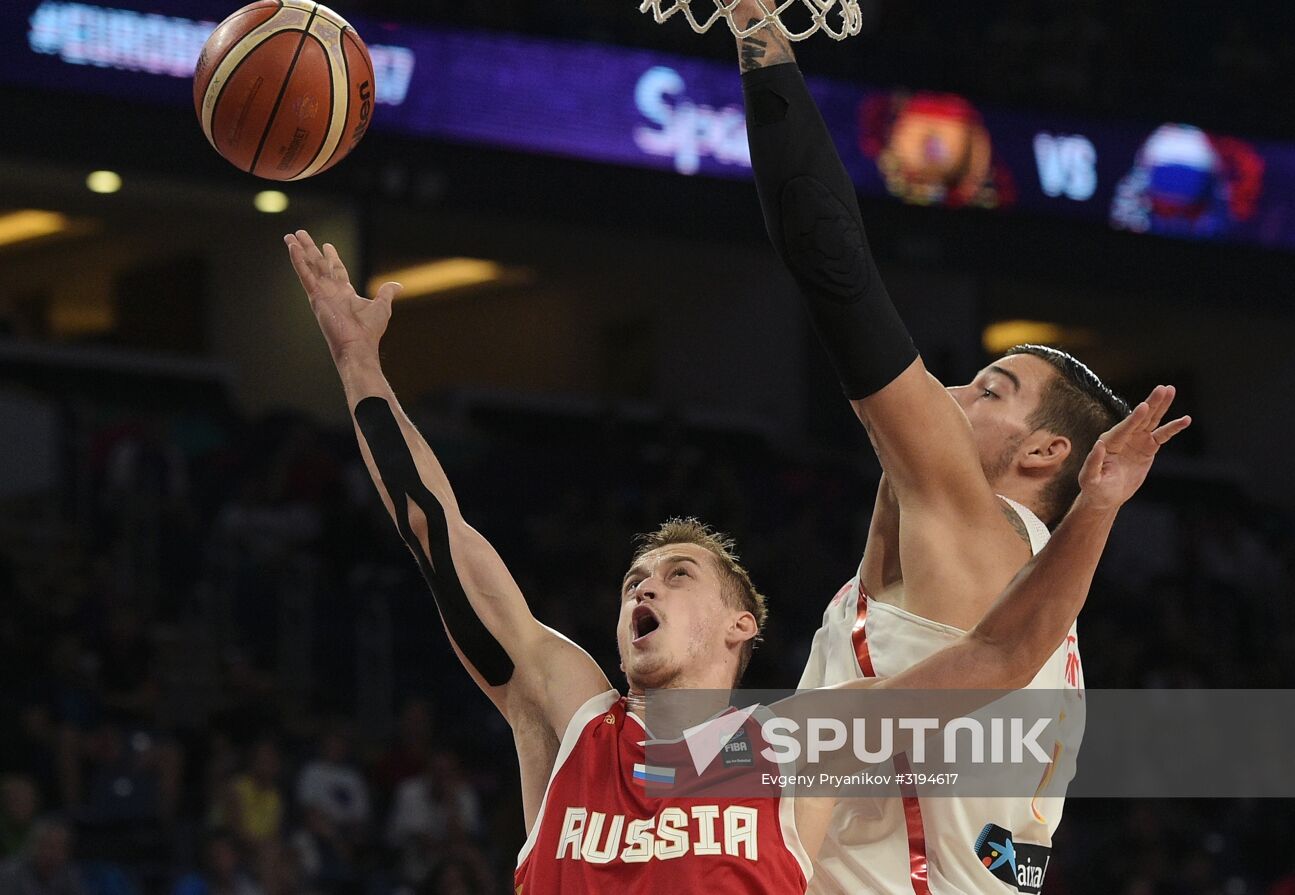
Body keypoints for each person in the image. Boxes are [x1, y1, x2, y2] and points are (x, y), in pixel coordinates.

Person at [282, 228, 1188, 892]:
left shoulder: (799, 748)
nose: (645, 583)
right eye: (636, 576)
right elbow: (440, 535)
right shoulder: (569, 720)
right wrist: (359, 362)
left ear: (740, 626)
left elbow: (998, 655)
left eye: (679, 574)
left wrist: (1098, 506)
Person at [733, 4, 1132, 890]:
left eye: (988, 391)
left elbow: (830, 266)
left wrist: (759, 37)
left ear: (1041, 455)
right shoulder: (1023, 596)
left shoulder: (975, 525)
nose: (947, 396)